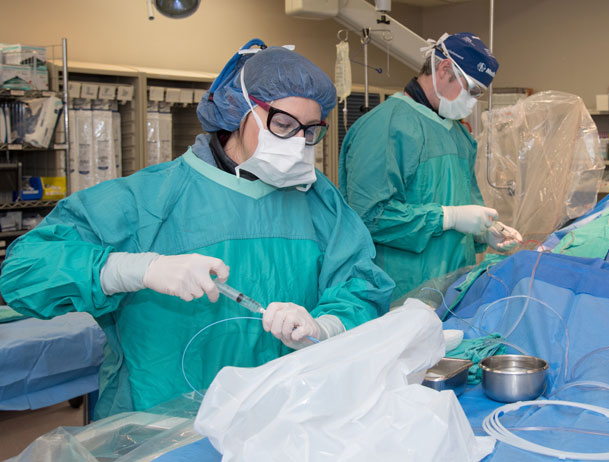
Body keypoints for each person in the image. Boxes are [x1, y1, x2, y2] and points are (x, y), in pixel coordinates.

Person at [0, 42, 394, 419]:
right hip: (163, 430)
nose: (298, 142)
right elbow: (24, 271)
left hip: (285, 420)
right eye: (283, 124)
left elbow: (360, 285)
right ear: (238, 112)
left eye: (309, 130)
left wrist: (324, 326)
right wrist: (136, 269)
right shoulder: (150, 199)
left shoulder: (317, 200)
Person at [339, 32, 522, 301]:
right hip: (401, 292)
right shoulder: (386, 127)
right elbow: (369, 217)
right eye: (471, 89)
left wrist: (484, 231)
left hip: (453, 289)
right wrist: (449, 217)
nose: (472, 101)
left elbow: (463, 200)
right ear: (445, 68)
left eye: (479, 94)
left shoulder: (457, 134)